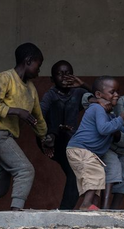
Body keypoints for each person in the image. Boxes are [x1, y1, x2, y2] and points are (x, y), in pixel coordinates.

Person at [0, 42, 53, 211]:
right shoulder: (5, 78)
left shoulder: (31, 89)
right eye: (38, 65)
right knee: (25, 170)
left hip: (6, 136)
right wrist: (16, 111)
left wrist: (45, 138)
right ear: (28, 61)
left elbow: (37, 118)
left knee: (1, 185)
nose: (39, 70)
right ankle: (16, 213)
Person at [65, 76, 124, 210]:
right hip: (80, 149)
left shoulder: (109, 113)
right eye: (112, 92)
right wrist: (121, 119)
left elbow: (113, 124)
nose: (117, 95)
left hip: (86, 152)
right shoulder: (97, 108)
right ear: (99, 95)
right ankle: (86, 206)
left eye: (118, 92)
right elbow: (104, 129)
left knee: (97, 180)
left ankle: (92, 208)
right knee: (96, 173)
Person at [40, 61, 90, 210]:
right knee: (56, 105)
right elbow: (40, 114)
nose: (64, 76)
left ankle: (64, 211)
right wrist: (47, 134)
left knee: (74, 174)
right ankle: (53, 135)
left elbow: (100, 98)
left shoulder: (79, 92)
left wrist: (82, 84)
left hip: (70, 141)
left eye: (68, 73)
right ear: (52, 78)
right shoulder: (50, 95)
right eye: (59, 74)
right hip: (52, 139)